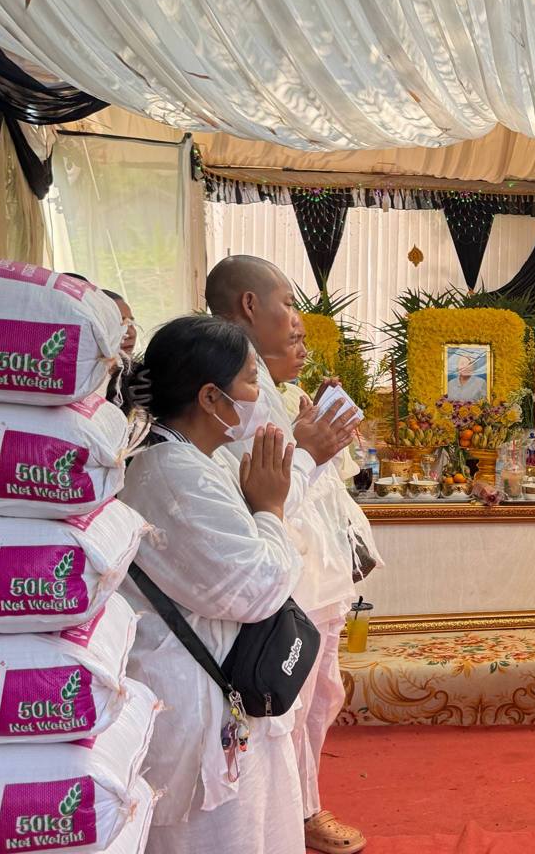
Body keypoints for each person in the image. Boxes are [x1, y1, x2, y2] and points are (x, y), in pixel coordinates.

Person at [117, 314, 305, 854]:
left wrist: (263, 507)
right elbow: (255, 588)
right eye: (251, 380)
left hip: (222, 685)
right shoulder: (173, 473)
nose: (259, 397)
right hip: (198, 694)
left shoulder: (196, 458)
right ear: (210, 397)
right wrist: (269, 509)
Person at [206, 256, 366, 854]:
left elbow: (311, 480)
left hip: (317, 573)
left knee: (321, 698)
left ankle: (303, 807)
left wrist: (315, 436)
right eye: (289, 305)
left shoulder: (270, 388)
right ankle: (297, 816)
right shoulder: (233, 389)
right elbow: (263, 493)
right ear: (250, 305)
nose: (299, 322)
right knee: (288, 707)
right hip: (284, 580)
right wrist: (309, 448)